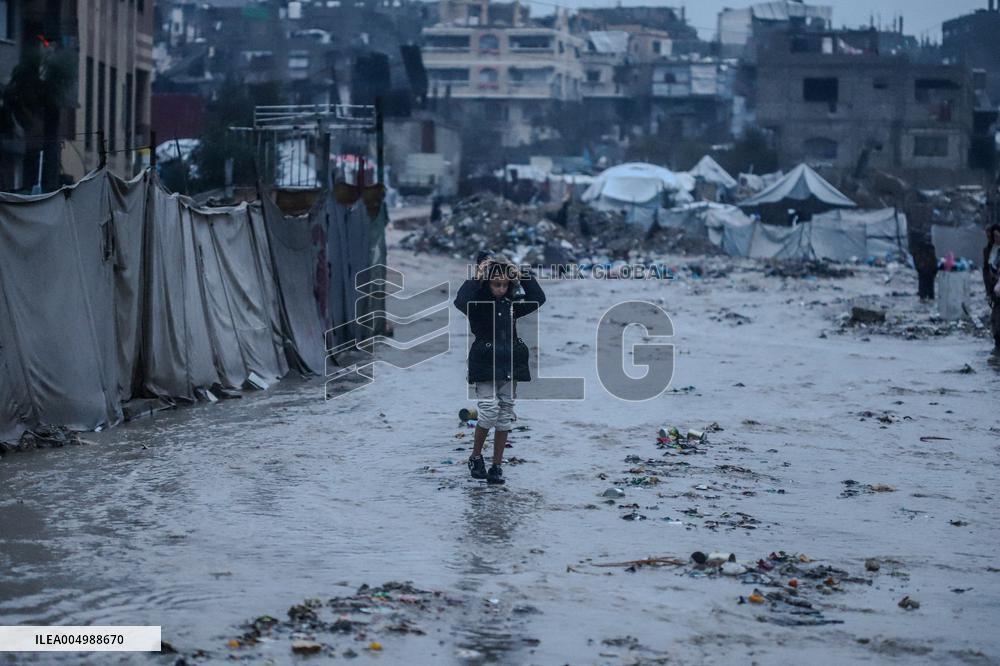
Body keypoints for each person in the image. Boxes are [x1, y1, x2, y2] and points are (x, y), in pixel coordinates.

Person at [454, 252, 546, 485]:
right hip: (484, 363)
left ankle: (496, 465)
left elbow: (538, 297)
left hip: (510, 363)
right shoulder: (476, 304)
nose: (501, 289)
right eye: (496, 284)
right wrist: (478, 275)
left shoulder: (512, 305)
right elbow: (460, 300)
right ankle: (476, 457)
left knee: (506, 412)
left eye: (505, 284)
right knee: (488, 410)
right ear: (486, 282)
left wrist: (519, 273)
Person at [983, 224, 1000, 354]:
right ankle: (997, 344)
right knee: (994, 317)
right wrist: (988, 291)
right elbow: (986, 270)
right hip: (994, 289)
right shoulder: (989, 250)